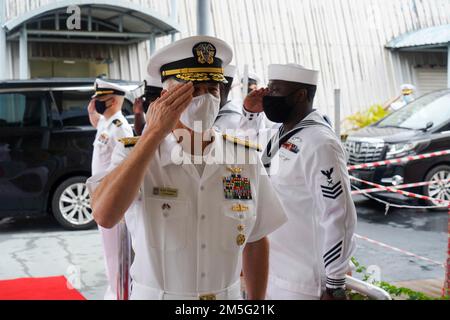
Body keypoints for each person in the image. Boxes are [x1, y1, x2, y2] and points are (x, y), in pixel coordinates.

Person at [87, 36, 287, 300]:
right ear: (165, 96)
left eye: (211, 89)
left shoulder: (244, 158)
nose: (204, 98)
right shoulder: (136, 154)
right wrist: (153, 134)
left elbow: (256, 239)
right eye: (193, 89)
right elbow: (105, 215)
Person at [249, 63, 357, 300]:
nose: (268, 95)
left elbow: (339, 214)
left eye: (276, 90)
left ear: (300, 95)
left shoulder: (320, 143)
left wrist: (335, 283)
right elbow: (238, 147)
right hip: (272, 273)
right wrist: (250, 111)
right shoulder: (281, 132)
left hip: (303, 283)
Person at [88, 79, 134, 300]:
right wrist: (95, 117)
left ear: (113, 101)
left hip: (113, 198)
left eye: (99, 100)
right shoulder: (106, 124)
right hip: (102, 195)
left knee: (117, 252)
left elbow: (126, 165)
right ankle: (113, 289)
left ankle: (119, 293)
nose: (95, 103)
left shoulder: (120, 127)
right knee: (109, 250)